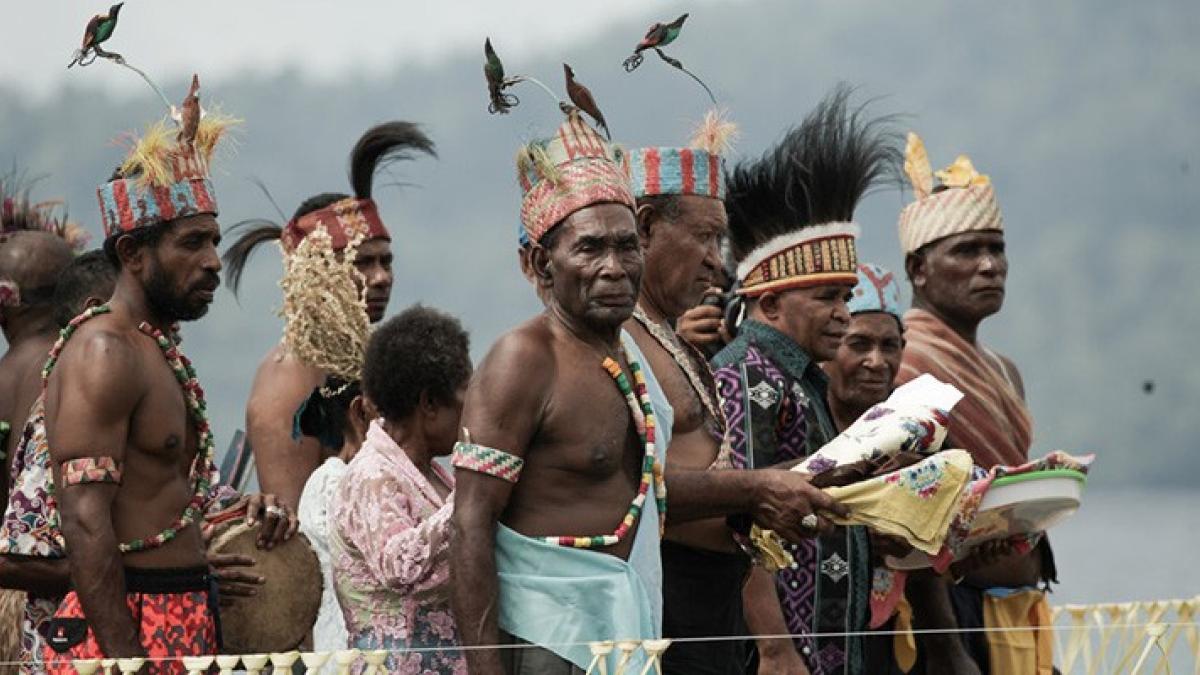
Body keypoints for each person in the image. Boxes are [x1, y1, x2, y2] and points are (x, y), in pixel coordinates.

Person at [451, 102, 843, 675]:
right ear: (541, 262)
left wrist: (772, 489)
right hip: (547, 642)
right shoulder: (522, 358)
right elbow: (470, 523)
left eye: (625, 245)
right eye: (589, 248)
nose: (613, 266)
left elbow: (643, 496)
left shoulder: (626, 357)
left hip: (630, 634)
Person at [39, 83, 294, 672]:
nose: (213, 260)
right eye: (192, 243)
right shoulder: (104, 352)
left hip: (180, 615)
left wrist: (241, 514)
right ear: (133, 253)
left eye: (214, 240)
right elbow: (84, 520)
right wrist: (128, 662)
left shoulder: (153, 348)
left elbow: (159, 498)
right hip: (132, 628)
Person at [711, 87, 900, 675]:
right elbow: (737, 526)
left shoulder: (802, 380)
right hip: (787, 653)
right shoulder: (747, 375)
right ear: (768, 303)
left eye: (846, 296)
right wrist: (774, 648)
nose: (844, 313)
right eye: (827, 298)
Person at [893, 133, 1050, 675]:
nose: (989, 265)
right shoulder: (904, 361)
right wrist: (947, 648)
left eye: (997, 248)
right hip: (950, 615)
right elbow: (911, 513)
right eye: (967, 250)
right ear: (918, 269)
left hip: (1018, 602)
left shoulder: (1006, 369)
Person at [223, 122, 435, 511]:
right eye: (362, 263)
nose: (381, 278)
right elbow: (293, 530)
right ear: (316, 274)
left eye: (386, 261)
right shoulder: (289, 377)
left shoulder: (366, 361)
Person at [623, 111, 751, 674]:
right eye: (703, 236)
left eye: (720, 240)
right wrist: (765, 487)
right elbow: (631, 488)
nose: (716, 262)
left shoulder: (668, 337)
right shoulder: (620, 338)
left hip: (715, 600)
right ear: (645, 228)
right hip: (667, 599)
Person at [330, 304, 472, 673]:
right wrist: (475, 491)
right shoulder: (372, 476)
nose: (473, 413)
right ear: (428, 404)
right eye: (465, 401)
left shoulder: (433, 474)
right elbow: (400, 567)